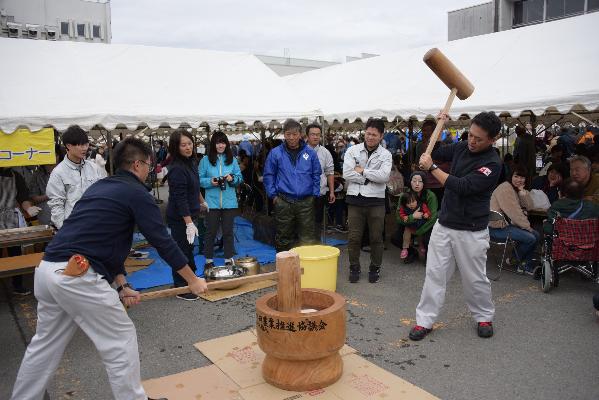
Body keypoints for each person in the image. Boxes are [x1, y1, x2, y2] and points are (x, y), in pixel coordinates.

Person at [10, 137, 207, 400]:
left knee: (44, 346)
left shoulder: (100, 187)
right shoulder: (138, 194)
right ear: (137, 164)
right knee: (120, 339)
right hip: (77, 276)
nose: (150, 170)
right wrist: (192, 280)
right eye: (149, 164)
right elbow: (163, 241)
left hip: (48, 270)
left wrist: (123, 285)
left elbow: (106, 242)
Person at [410, 111, 502, 341]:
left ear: (493, 139)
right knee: (434, 274)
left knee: (474, 278)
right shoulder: (462, 147)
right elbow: (435, 150)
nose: (471, 141)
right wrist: (440, 126)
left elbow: (463, 186)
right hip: (445, 224)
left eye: (478, 138)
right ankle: (424, 321)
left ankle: (483, 316)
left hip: (472, 230)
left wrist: (431, 168)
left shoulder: (492, 163)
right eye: (470, 135)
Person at [342, 118, 392, 283]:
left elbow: (384, 176)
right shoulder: (352, 150)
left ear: (381, 136)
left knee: (376, 238)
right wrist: (368, 178)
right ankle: (354, 267)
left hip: (376, 201)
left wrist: (362, 170)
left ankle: (375, 268)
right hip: (355, 199)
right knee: (354, 238)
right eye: (368, 134)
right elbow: (347, 173)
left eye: (374, 135)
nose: (370, 137)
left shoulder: (386, 154)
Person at [263, 119, 321, 251]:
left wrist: (315, 195)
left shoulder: (310, 153)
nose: (291, 137)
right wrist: (273, 196)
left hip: (306, 201)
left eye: (294, 134)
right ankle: (284, 270)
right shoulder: (275, 153)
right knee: (283, 237)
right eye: (288, 134)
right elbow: (268, 175)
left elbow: (316, 174)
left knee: (307, 238)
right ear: (284, 134)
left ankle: (307, 269)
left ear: (301, 135)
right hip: (283, 201)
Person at [166, 129, 208, 301]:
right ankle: (181, 287)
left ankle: (191, 280)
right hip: (180, 218)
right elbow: (180, 198)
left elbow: (196, 186)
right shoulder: (176, 168)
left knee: (189, 249)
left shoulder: (191, 162)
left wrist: (202, 201)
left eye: (190, 143)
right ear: (176, 147)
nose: (188, 147)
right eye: (183, 145)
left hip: (191, 214)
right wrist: (188, 223)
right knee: (181, 251)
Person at [199, 131, 243, 271]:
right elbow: (199, 180)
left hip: (229, 203)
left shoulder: (232, 159)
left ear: (227, 144)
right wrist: (211, 181)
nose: (221, 145)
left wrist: (232, 179)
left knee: (228, 231)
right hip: (211, 203)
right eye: (218, 142)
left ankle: (228, 258)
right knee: (210, 231)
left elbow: (239, 178)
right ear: (213, 144)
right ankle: (209, 259)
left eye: (223, 142)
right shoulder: (205, 160)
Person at [46, 126, 103, 229]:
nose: (85, 148)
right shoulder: (58, 172)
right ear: (68, 146)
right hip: (73, 227)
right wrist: (64, 229)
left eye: (86, 144)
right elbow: (56, 204)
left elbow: (102, 194)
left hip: (96, 224)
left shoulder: (93, 168)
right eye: (80, 145)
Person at [489, 165, 540, 275]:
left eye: (522, 177)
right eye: (516, 176)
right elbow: (514, 213)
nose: (519, 180)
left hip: (507, 225)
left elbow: (530, 206)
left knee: (536, 235)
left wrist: (523, 193)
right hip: (496, 228)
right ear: (510, 176)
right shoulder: (505, 188)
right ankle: (519, 261)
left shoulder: (515, 189)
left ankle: (520, 261)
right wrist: (527, 227)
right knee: (531, 237)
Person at [0, 167, 40, 295]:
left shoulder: (15, 175)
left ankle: (17, 285)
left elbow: (23, 198)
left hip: (11, 218)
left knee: (15, 252)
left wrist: (29, 209)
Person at [393, 171, 438, 263]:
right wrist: (411, 217)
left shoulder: (430, 196)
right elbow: (398, 217)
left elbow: (433, 218)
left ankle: (428, 256)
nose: (417, 184)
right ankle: (412, 252)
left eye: (420, 181)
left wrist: (419, 231)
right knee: (396, 239)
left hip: (425, 225)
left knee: (427, 240)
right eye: (414, 181)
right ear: (410, 182)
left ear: (424, 183)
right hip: (409, 224)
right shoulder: (404, 196)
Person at [306, 123, 335, 241]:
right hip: (303, 193)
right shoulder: (300, 151)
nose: (316, 137)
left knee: (317, 222)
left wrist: (332, 191)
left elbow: (330, 172)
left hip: (320, 193)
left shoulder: (325, 152)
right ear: (307, 136)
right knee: (304, 222)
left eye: (318, 134)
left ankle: (316, 246)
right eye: (313, 134)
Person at [398, 190, 431, 259]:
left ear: (417, 200)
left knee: (421, 235)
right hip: (411, 226)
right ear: (405, 204)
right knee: (406, 233)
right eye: (408, 203)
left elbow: (428, 212)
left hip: (421, 225)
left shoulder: (422, 205)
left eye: (413, 202)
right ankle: (405, 248)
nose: (411, 204)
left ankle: (422, 246)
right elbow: (401, 214)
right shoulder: (403, 208)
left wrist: (426, 214)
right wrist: (404, 217)